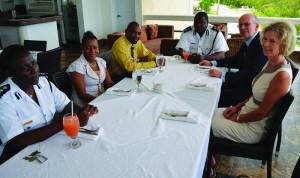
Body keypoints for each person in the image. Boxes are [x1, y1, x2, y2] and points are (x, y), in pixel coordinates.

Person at [0, 45, 98, 164]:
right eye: (25, 68)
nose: (34, 69)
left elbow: (66, 105)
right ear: (10, 72)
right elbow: (17, 141)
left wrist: (82, 111)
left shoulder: (44, 82)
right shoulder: (4, 98)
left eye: (34, 63)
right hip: (20, 156)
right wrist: (64, 123)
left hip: (49, 142)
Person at [211, 21, 296, 144]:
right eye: (265, 39)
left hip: (253, 128)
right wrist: (236, 107)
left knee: (205, 122)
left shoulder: (282, 76)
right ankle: (210, 154)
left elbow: (262, 112)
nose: (265, 44)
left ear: (284, 45)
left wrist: (239, 118)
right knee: (208, 112)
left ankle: (207, 156)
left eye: (272, 41)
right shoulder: (270, 62)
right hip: (246, 113)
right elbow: (256, 95)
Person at [199, 13, 268, 107]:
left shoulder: (261, 46)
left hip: (248, 93)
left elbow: (251, 76)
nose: (242, 27)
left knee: (208, 96)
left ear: (256, 26)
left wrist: (222, 75)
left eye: (246, 24)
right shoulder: (249, 42)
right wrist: (212, 63)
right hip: (241, 84)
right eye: (240, 25)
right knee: (206, 86)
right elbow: (235, 60)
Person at [67, 31, 114, 107]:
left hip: (100, 101)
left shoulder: (101, 62)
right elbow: (82, 94)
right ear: (82, 47)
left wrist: (116, 94)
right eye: (88, 48)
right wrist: (101, 102)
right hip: (84, 106)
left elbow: (109, 83)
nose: (92, 51)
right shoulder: (76, 66)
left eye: (95, 47)